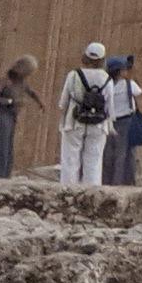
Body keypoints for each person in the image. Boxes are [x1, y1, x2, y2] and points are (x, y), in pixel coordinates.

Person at [0, 56, 45, 179]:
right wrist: (10, 101)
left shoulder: (22, 83)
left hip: (11, 117)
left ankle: (4, 175)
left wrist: (40, 103)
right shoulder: (5, 81)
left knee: (7, 148)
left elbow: (31, 92)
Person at [57, 42, 113, 189]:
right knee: (94, 161)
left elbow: (63, 102)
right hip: (99, 124)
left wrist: (62, 122)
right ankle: (92, 192)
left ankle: (68, 190)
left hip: (74, 121)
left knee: (70, 159)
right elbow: (110, 107)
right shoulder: (107, 79)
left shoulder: (74, 75)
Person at [101, 56, 142, 189]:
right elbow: (139, 92)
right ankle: (120, 183)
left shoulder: (105, 85)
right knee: (123, 154)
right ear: (120, 71)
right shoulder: (129, 84)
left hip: (109, 122)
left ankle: (106, 181)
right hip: (126, 122)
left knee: (108, 154)